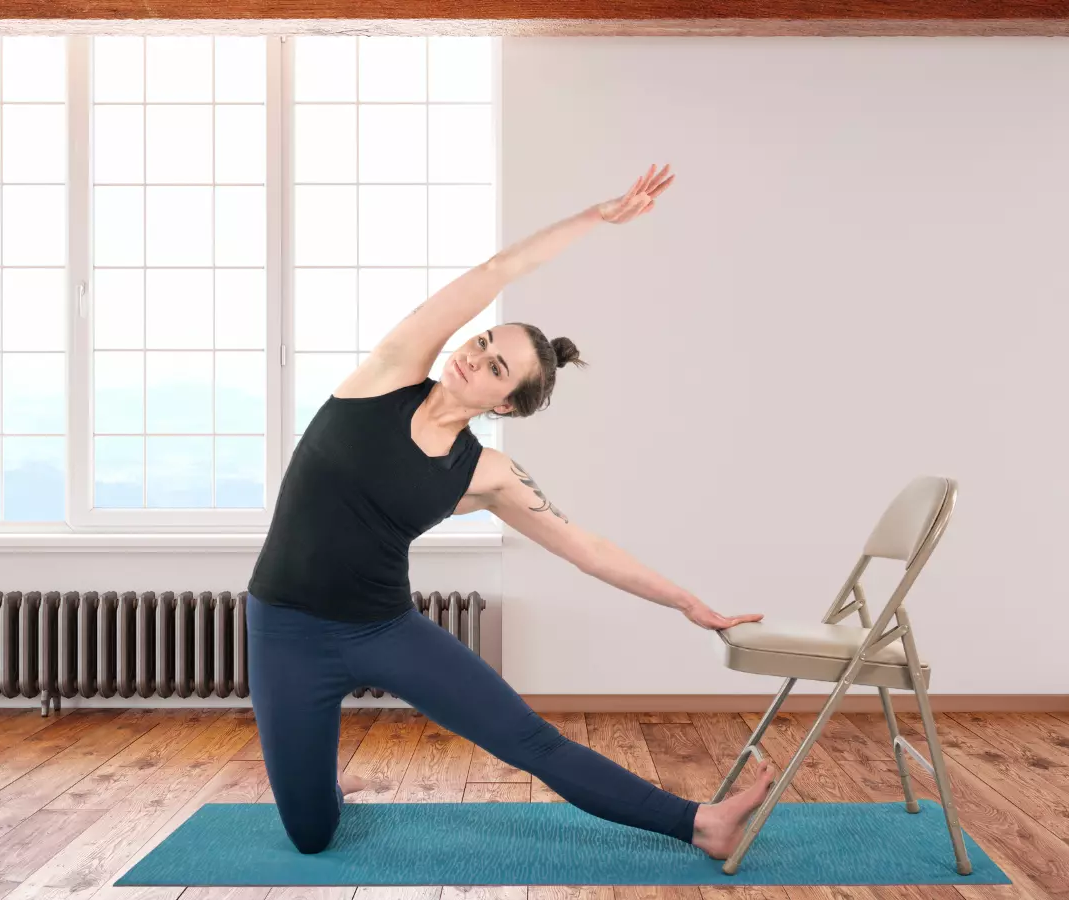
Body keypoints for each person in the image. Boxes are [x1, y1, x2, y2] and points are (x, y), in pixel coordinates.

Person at [244, 164, 777, 861]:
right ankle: (322, 780)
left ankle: (699, 822)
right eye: (485, 344)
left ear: (503, 405)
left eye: (497, 368)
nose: (476, 356)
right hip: (285, 629)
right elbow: (497, 270)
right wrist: (594, 216)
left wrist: (688, 603)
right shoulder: (389, 372)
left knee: (529, 740)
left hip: (384, 629)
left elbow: (585, 547)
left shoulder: (487, 473)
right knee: (312, 836)